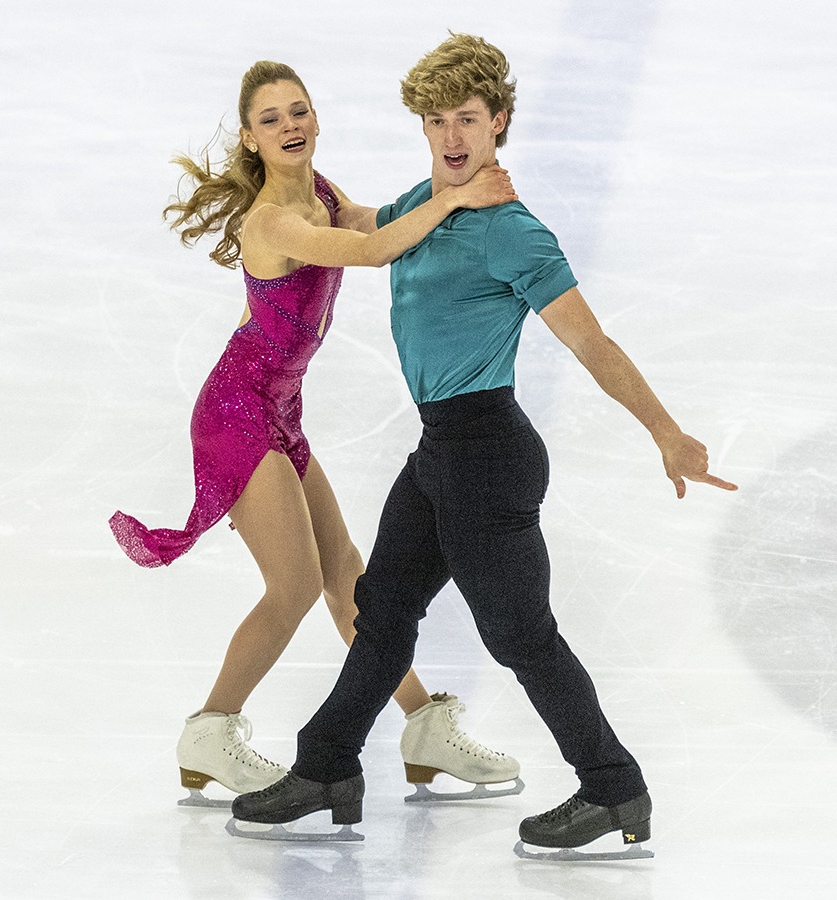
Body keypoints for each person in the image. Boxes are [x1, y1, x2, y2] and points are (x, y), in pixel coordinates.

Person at [229, 35, 738, 857]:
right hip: (441, 452)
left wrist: (666, 431)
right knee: (383, 610)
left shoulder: (512, 232)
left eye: (468, 118)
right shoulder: (422, 206)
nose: (453, 137)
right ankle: (326, 766)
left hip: (488, 452)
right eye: (436, 121)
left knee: (519, 634)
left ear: (499, 121)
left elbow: (592, 344)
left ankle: (614, 788)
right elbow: (357, 228)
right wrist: (280, 183)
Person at [108, 61, 525, 808]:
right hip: (236, 413)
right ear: (251, 138)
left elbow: (369, 221)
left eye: (298, 111)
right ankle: (209, 730)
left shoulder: (321, 191)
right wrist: (460, 193)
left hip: (279, 409)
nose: (290, 126)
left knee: (350, 582)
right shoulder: (272, 219)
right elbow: (370, 252)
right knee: (296, 585)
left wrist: (449, 188)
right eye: (271, 119)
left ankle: (423, 724)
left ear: (316, 119)